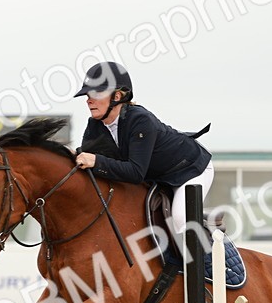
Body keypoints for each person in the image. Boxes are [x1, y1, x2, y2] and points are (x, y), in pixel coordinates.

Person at [73, 62, 213, 235]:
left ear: (117, 96)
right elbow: (88, 163)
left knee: (180, 219)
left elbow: (135, 172)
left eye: (96, 93)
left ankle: (213, 259)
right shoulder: (94, 126)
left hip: (189, 170)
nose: (88, 100)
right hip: (156, 175)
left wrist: (95, 161)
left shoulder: (140, 120)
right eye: (87, 94)